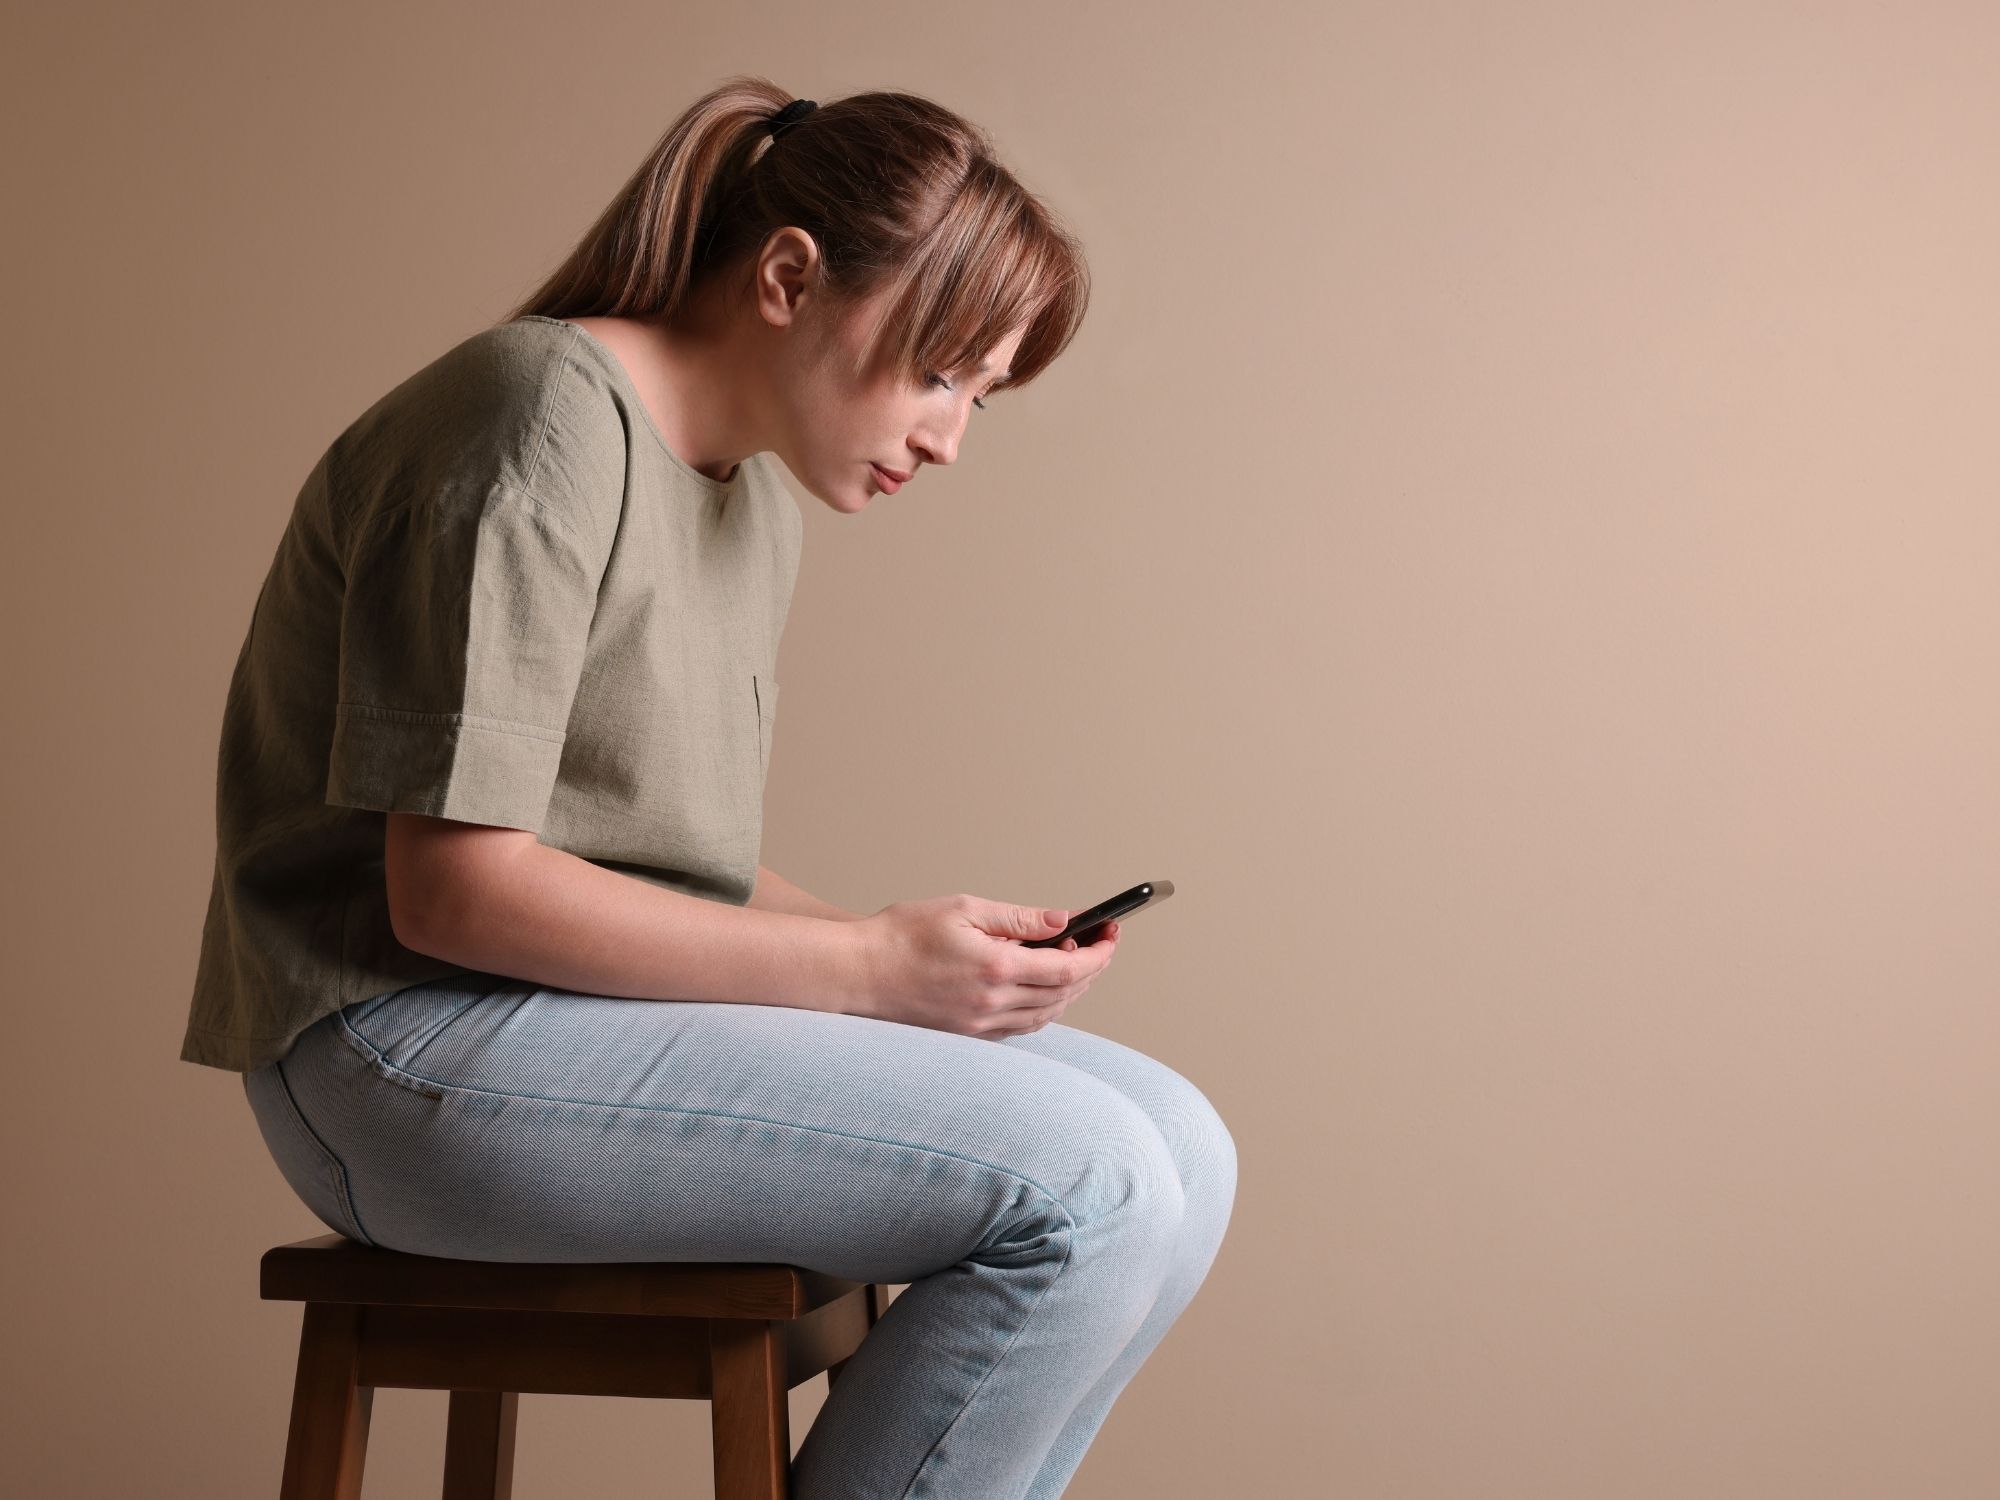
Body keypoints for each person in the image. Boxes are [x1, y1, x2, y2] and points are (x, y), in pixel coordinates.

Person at [184, 75, 1236, 1500]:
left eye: (979, 397)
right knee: (1091, 1186)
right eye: (938, 374)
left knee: (1182, 1149)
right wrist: (863, 972)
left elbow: (661, 864)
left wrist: (922, 956)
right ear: (791, 275)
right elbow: (452, 888)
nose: (949, 437)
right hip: (395, 1050)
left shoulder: (746, 500)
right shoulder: (533, 417)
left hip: (553, 1028)